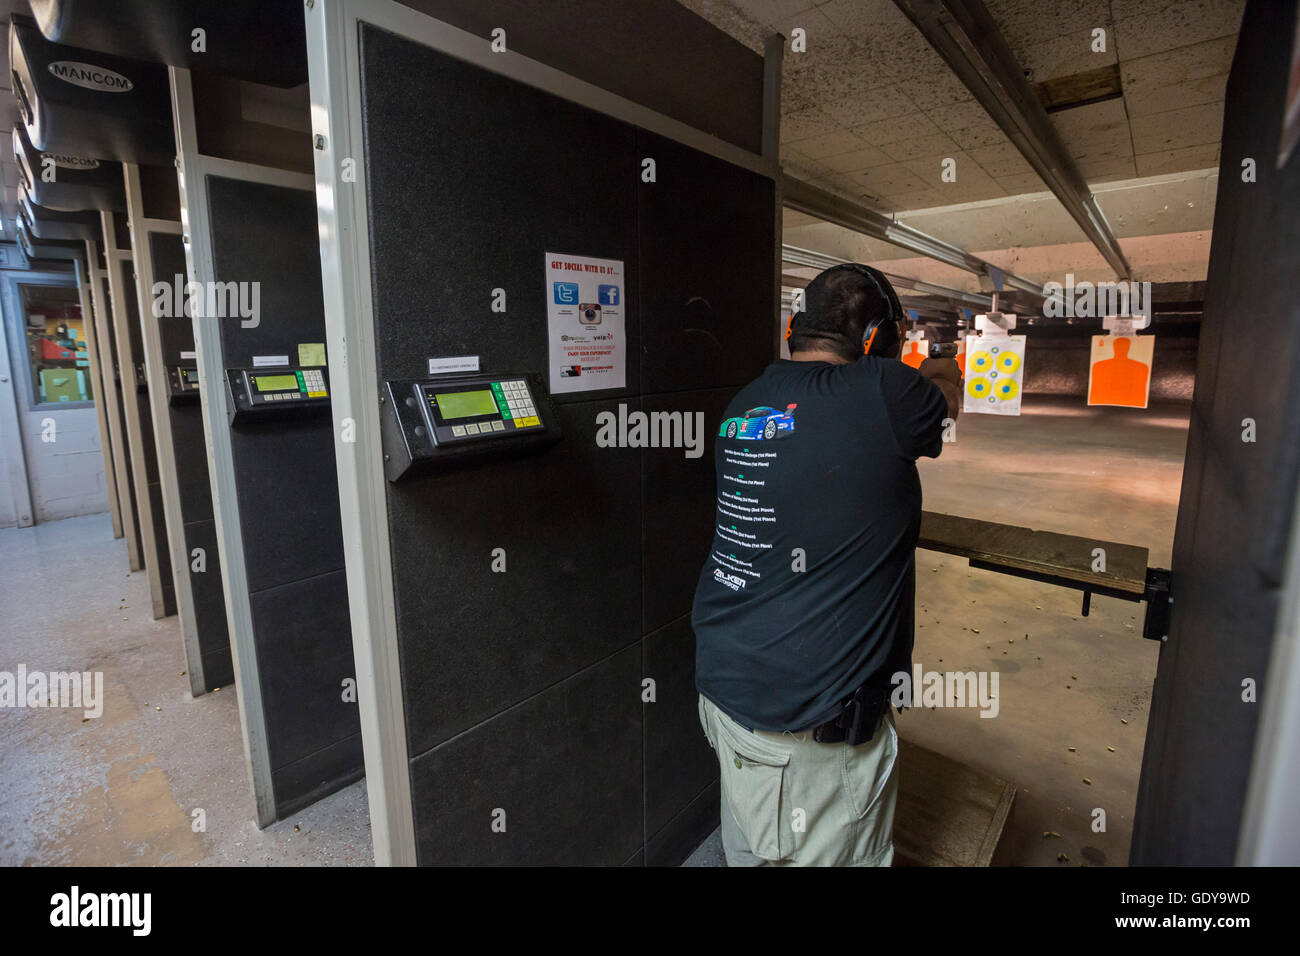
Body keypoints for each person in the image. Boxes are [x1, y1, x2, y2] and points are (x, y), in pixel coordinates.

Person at [691, 263, 961, 866]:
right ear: (876, 343)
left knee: (752, 850)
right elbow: (945, 402)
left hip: (728, 691)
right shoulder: (889, 394)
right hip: (813, 735)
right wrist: (934, 354)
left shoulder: (747, 402)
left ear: (793, 327)